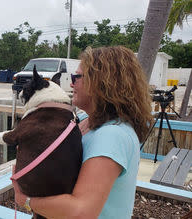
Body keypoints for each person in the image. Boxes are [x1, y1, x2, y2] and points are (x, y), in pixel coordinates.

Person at [12, 46, 153, 218]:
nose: (71, 83)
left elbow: (81, 212)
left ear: (100, 82)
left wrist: (26, 200)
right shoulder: (88, 120)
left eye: (76, 77)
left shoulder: (112, 136)